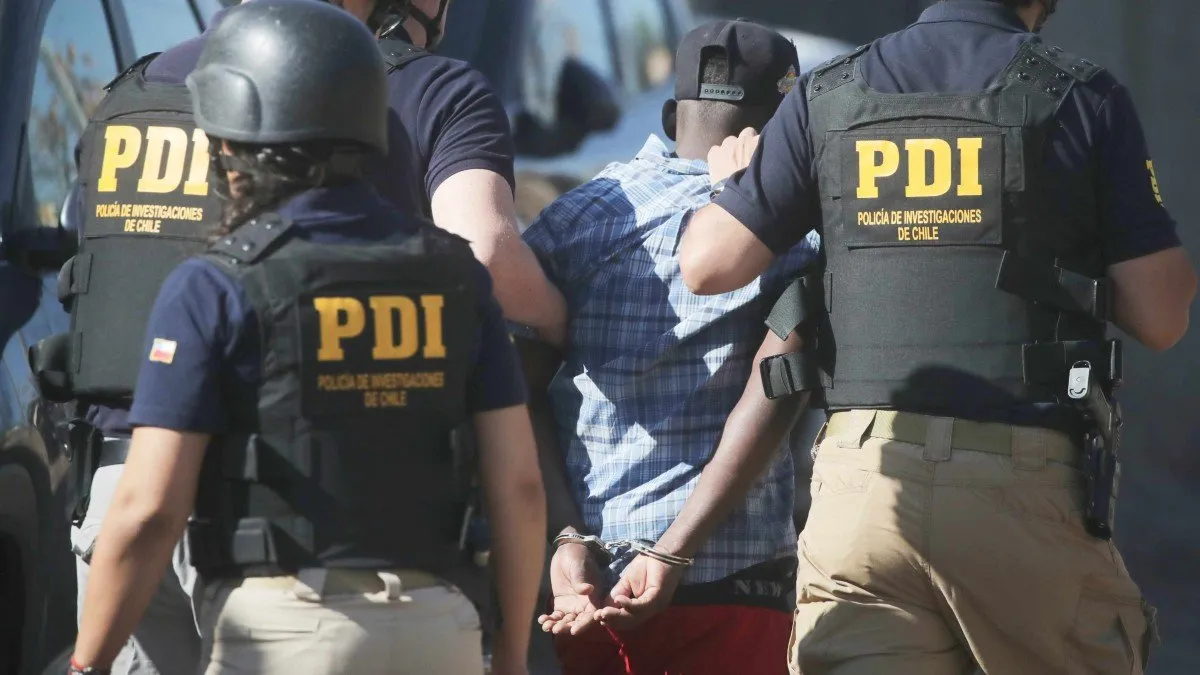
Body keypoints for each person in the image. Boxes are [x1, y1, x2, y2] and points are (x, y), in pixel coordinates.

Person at [678, 1, 1197, 674]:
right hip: (1019, 497)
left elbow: (706, 263)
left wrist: (735, 189)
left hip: (864, 494)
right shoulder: (1079, 97)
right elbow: (1162, 316)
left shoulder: (827, 95)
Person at [68, 3, 546, 675]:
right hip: (403, 583)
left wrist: (83, 664)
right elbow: (520, 485)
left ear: (237, 138)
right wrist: (517, 655)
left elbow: (148, 510)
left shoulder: (205, 260)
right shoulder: (458, 276)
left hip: (190, 531)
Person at [519, 20, 822, 674]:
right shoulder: (795, 234)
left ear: (667, 113)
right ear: (786, 129)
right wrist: (674, 551)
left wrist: (565, 536)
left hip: (589, 587)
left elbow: (519, 390)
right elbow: (780, 386)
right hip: (735, 585)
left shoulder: (577, 217)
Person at [333, 0, 568, 343]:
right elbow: (485, 256)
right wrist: (559, 321)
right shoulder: (446, 91)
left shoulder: (237, 83)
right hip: (401, 372)